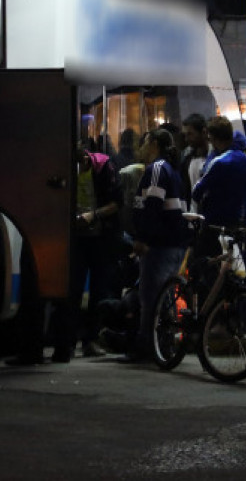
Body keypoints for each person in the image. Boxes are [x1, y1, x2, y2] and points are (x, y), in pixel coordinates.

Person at [55, 145, 121, 362]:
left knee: (99, 290)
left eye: (81, 164)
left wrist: (93, 215)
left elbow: (116, 203)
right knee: (72, 290)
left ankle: (90, 339)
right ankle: (68, 342)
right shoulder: (66, 170)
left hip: (101, 237)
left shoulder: (104, 167)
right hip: (77, 238)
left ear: (86, 158)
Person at [128, 129, 187, 361]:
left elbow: (153, 203)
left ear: (153, 143)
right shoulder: (172, 170)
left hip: (159, 245)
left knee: (151, 298)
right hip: (173, 243)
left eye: (144, 142)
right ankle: (163, 346)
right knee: (164, 297)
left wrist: (143, 238)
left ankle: (147, 347)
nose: (141, 148)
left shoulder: (157, 168)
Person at [192, 116, 246, 229]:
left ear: (213, 137)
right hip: (237, 219)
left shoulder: (219, 162)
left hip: (214, 223)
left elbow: (196, 192)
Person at [180, 114, 210, 211]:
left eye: (190, 134)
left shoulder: (216, 158)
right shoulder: (186, 158)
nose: (186, 139)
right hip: (192, 214)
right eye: (185, 135)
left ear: (203, 132)